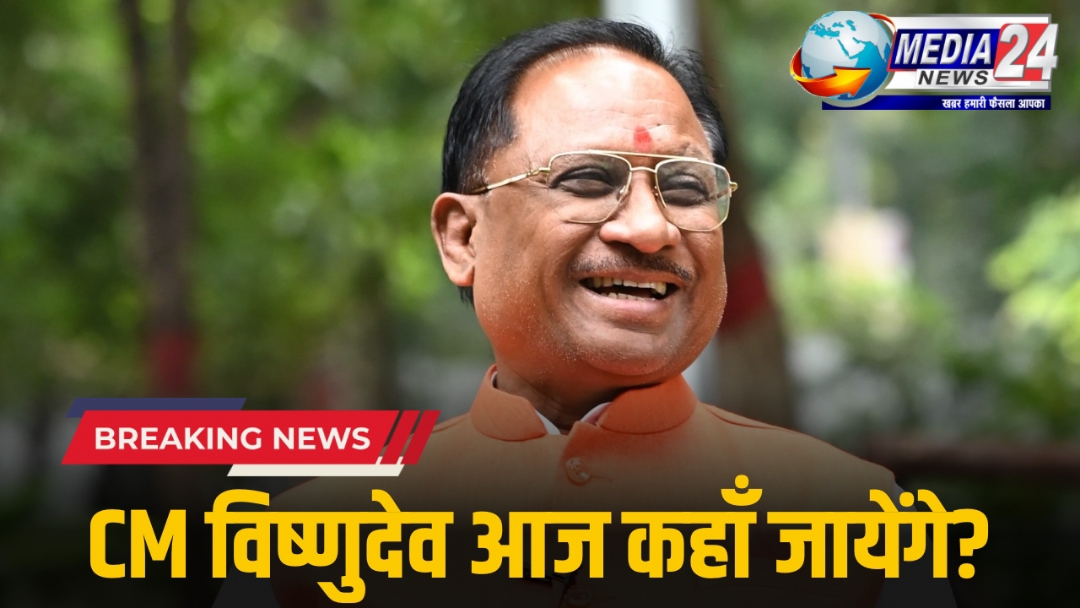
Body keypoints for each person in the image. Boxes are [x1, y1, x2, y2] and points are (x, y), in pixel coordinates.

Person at [268, 19, 955, 608]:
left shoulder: (859, 524)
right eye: (588, 178)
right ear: (463, 238)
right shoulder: (309, 543)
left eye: (685, 187)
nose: (651, 229)